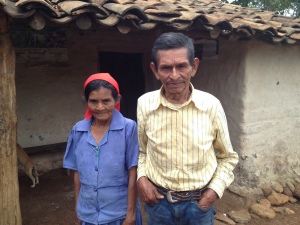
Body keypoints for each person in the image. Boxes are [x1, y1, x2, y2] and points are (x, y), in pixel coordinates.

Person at [136, 32, 239, 225]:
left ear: (194, 66)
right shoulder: (144, 104)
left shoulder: (211, 105)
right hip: (158, 205)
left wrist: (211, 194)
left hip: (198, 206)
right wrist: (142, 179)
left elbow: (228, 157)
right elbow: (142, 151)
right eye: (166, 68)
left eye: (182, 66)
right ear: (155, 70)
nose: (174, 75)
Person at [63, 73, 142, 225]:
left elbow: (133, 173)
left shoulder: (128, 128)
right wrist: (79, 210)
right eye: (93, 101)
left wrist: (130, 214)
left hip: (119, 214)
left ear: (117, 100)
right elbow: (77, 174)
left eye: (106, 101)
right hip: (88, 214)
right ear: (86, 101)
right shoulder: (78, 130)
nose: (100, 107)